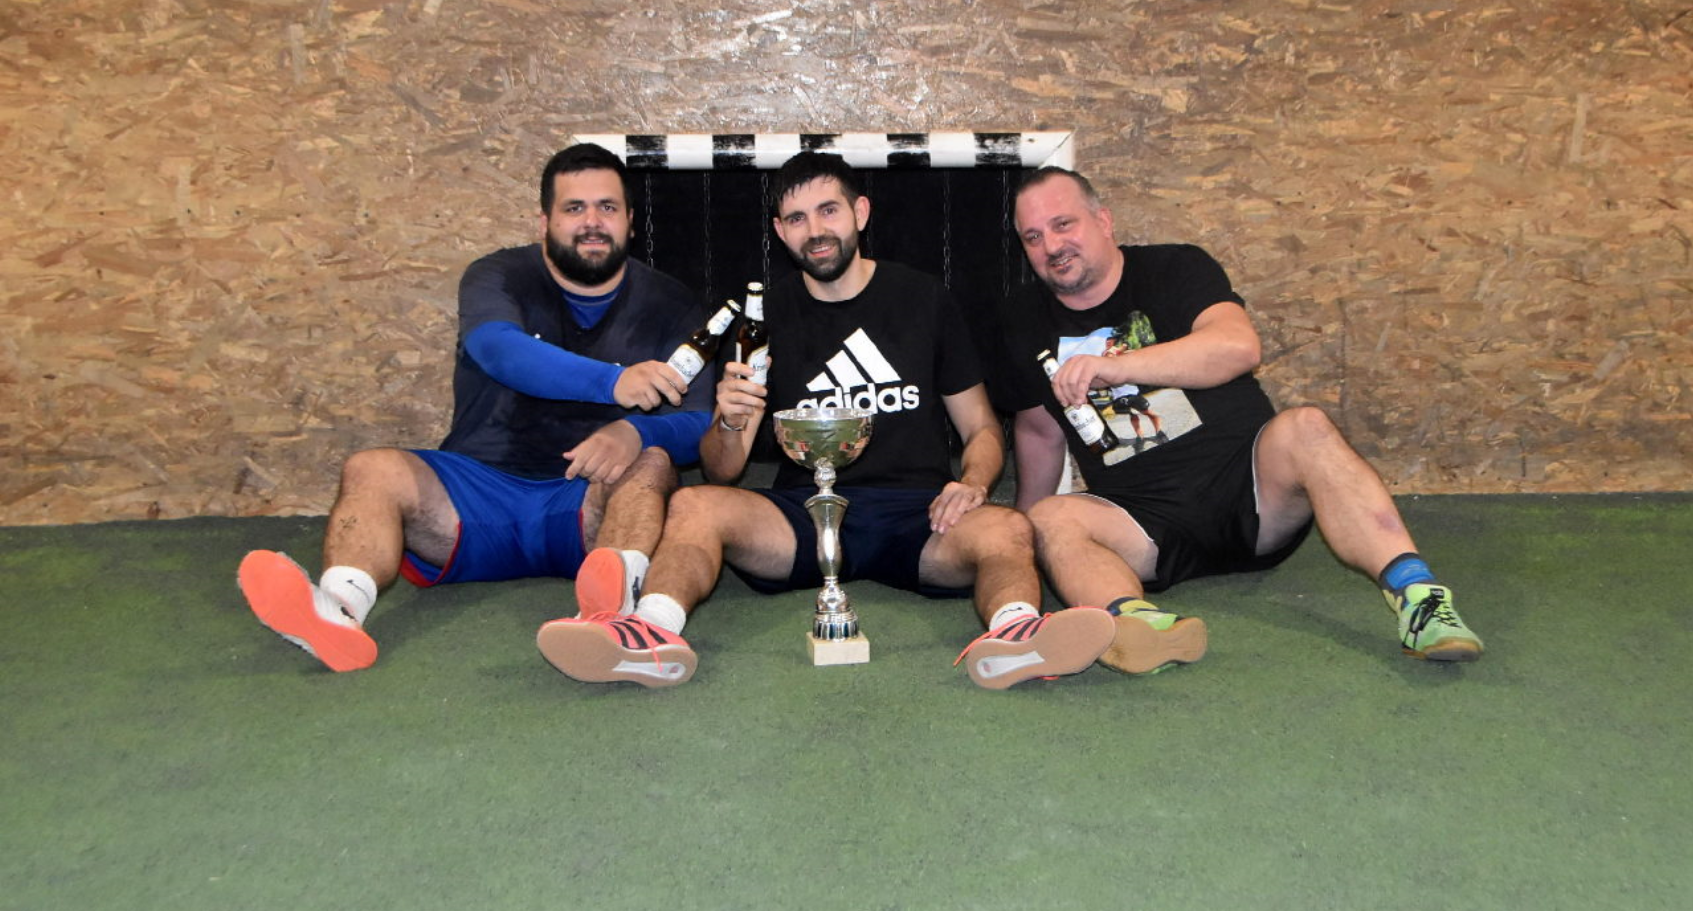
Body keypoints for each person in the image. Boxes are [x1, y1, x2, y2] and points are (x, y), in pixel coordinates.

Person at [534, 151, 1115, 690]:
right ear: (780, 230)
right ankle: (649, 634)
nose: (815, 230)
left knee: (1008, 528)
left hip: (920, 516)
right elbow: (722, 471)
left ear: (860, 212)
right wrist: (730, 422)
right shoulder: (761, 319)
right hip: (805, 517)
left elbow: (982, 429)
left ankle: (1016, 637)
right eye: (796, 218)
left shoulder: (924, 299)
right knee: (694, 505)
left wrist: (973, 483)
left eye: (828, 210)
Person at [237, 142, 717, 671]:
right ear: (545, 221)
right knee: (371, 468)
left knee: (653, 463)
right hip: (473, 501)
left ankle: (613, 620)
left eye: (607, 207)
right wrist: (613, 382)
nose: (592, 222)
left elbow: (700, 420)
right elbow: (498, 350)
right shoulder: (497, 275)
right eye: (574, 208)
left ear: (630, 220)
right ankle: (338, 611)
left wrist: (635, 433)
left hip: (586, 506)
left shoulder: (672, 302)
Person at [995, 166, 1484, 675]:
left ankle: (1420, 599)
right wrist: (1024, 545)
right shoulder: (1021, 316)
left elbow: (1238, 347)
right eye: (1033, 237)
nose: (1052, 246)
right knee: (1050, 517)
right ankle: (1138, 626)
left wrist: (1116, 367)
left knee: (1306, 426)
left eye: (1063, 224)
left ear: (1103, 220)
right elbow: (1039, 431)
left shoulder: (1175, 267)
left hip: (1251, 496)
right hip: (1141, 523)